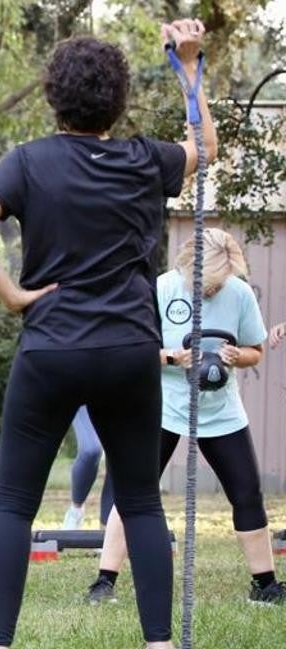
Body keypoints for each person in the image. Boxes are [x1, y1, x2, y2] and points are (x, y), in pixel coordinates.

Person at [0, 21, 215, 649]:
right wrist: (189, 65)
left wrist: (13, 296)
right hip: (129, 348)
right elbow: (206, 146)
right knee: (141, 502)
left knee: (14, 503)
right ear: (119, 102)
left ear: (52, 98)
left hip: (53, 345)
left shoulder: (29, 161)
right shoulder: (143, 159)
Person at [85, 229, 283, 606]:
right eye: (206, 283)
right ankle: (104, 582)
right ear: (187, 267)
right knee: (133, 491)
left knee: (247, 494)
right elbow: (134, 348)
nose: (211, 290)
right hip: (161, 407)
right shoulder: (161, 289)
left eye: (217, 283)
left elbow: (255, 350)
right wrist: (173, 356)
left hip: (221, 411)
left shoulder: (238, 293)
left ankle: (265, 586)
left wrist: (234, 356)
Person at [62, 406, 113, 529]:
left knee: (117, 453)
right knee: (91, 449)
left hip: (119, 392)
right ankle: (76, 509)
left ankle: (106, 529)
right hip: (81, 394)